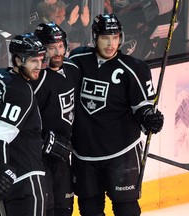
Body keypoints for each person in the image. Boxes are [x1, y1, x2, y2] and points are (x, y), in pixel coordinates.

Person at [69, 14, 164, 216]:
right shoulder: (77, 60)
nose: (111, 43)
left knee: (126, 209)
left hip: (121, 154)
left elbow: (143, 108)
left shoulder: (135, 68)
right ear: (95, 37)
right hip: (84, 154)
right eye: (105, 37)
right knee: (90, 210)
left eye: (115, 37)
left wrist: (150, 118)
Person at [0, 33, 47, 216]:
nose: (39, 66)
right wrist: (3, 170)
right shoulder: (21, 91)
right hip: (24, 178)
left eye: (41, 59)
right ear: (17, 59)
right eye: (33, 60)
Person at [31, 22, 81, 216]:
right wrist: (44, 140)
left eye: (60, 46)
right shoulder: (35, 80)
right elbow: (23, 122)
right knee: (46, 209)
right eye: (51, 48)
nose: (58, 52)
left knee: (64, 207)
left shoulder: (73, 69)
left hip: (63, 154)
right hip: (39, 158)